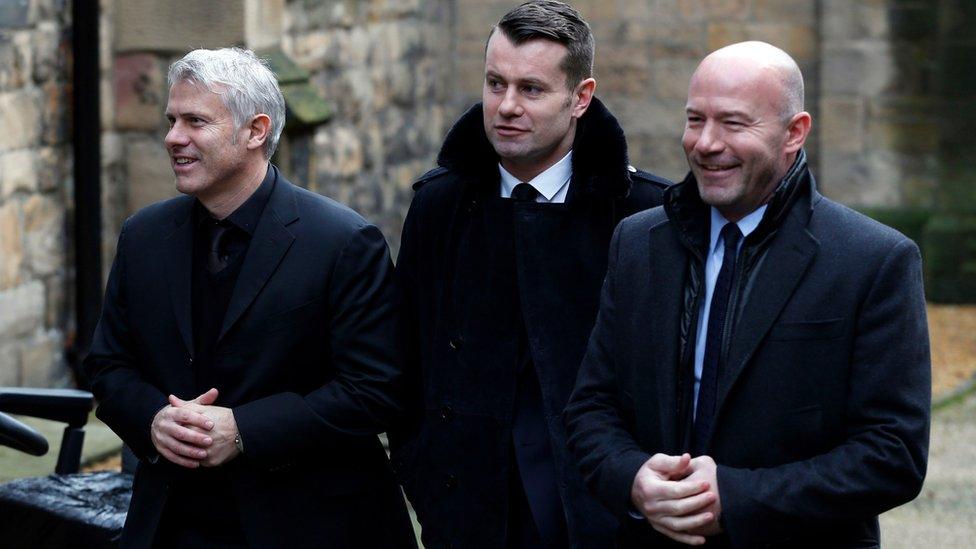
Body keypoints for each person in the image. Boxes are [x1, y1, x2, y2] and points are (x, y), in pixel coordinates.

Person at [564, 40, 932, 547]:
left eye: (734, 123)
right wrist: (632, 480)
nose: (706, 143)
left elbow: (893, 455)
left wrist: (737, 499)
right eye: (695, 119)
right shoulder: (637, 243)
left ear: (794, 133)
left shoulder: (874, 260)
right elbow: (591, 407)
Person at [83, 47, 415, 548]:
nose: (173, 137)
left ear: (256, 132)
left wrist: (244, 429)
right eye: (172, 119)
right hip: (171, 522)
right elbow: (108, 364)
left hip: (310, 524)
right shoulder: (144, 235)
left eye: (195, 121)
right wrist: (154, 421)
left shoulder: (343, 241)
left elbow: (376, 389)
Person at [390, 1, 670, 547]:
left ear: (580, 99)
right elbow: (406, 361)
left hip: (599, 515)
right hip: (467, 513)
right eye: (496, 84)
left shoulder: (642, 215)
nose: (506, 107)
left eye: (531, 89)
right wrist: (425, 476)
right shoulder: (438, 207)